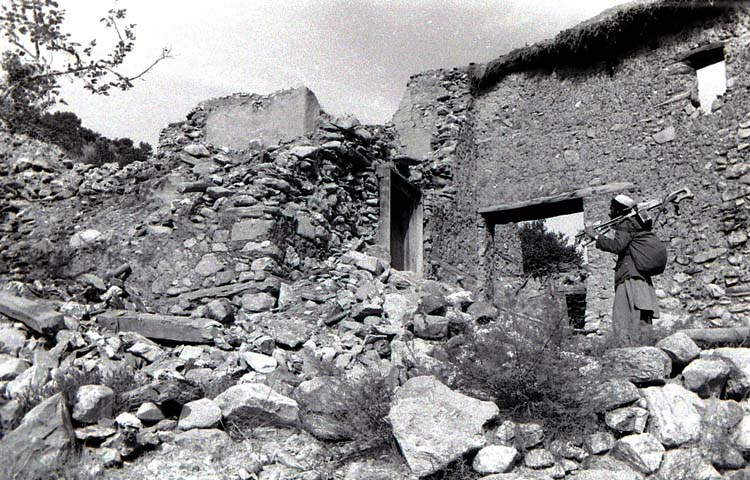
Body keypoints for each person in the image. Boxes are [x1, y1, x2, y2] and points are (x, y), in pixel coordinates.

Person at [584, 194, 659, 346]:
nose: (609, 212)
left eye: (612, 208)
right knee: (642, 317)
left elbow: (618, 246)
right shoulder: (636, 224)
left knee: (623, 316)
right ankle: (645, 348)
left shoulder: (626, 223)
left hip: (629, 277)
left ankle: (628, 350)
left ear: (618, 210)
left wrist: (596, 236)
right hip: (641, 277)